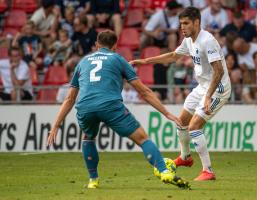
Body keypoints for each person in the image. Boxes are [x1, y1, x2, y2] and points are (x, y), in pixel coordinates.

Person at [47, 30, 190, 189]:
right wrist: (167, 113)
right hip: (110, 105)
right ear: (115, 46)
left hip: (85, 107)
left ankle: (93, 181)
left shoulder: (83, 62)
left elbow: (69, 99)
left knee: (88, 137)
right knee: (142, 138)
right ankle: (164, 171)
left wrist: (55, 126)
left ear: (96, 45)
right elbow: (144, 92)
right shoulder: (118, 59)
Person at [130, 7, 231, 181]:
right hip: (202, 87)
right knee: (181, 121)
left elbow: (219, 71)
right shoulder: (189, 40)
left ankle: (208, 171)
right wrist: (146, 61)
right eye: (181, 24)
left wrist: (208, 96)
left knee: (194, 127)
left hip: (218, 90)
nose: (182, 27)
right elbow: (173, 56)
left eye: (186, 23)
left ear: (196, 22)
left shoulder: (208, 41)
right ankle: (185, 157)